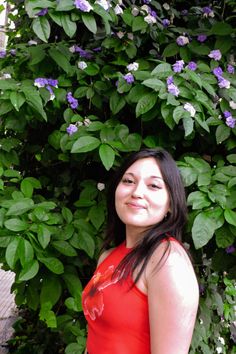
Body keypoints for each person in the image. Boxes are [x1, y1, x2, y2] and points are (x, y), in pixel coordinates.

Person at [82, 148, 199, 354]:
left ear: (171, 204)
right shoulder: (107, 257)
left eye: (153, 185)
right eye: (128, 181)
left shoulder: (167, 260)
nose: (136, 192)